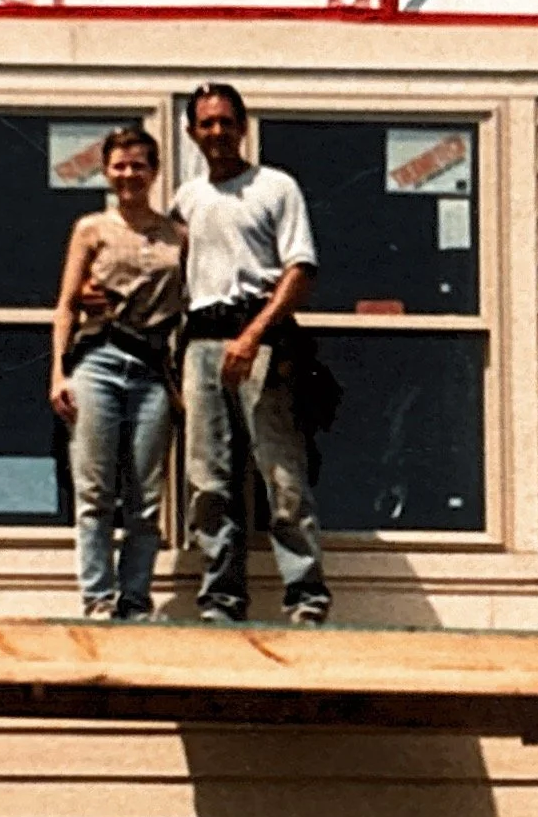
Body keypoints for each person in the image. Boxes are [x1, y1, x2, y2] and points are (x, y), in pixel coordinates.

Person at [179, 81, 331, 627]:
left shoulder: (275, 187)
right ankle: (221, 600)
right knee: (208, 481)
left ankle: (305, 598)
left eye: (226, 121)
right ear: (192, 132)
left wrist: (253, 335)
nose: (216, 132)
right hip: (200, 342)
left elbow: (300, 271)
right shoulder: (187, 198)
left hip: (262, 339)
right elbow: (167, 270)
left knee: (281, 475)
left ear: (242, 127)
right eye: (206, 123)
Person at [49, 124, 186, 622]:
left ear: (153, 171)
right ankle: (99, 599)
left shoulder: (176, 234)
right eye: (119, 165)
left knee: (146, 496)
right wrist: (58, 374)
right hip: (99, 361)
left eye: (139, 165)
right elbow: (65, 307)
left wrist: (179, 381)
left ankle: (135, 599)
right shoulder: (91, 229)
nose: (129, 174)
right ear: (106, 171)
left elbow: (186, 310)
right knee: (95, 491)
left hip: (151, 368)